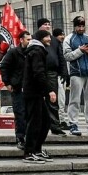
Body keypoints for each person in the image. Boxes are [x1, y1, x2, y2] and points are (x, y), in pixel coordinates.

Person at [20, 29, 57, 163]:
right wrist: (49, 90)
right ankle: (29, 152)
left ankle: (36, 149)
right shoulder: (36, 52)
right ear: (41, 38)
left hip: (36, 92)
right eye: (47, 37)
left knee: (45, 122)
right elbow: (38, 73)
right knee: (35, 122)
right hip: (33, 92)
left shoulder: (38, 50)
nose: (49, 39)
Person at [63, 16, 88, 136]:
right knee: (74, 99)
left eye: (82, 26)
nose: (81, 28)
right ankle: (73, 124)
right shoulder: (69, 39)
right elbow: (67, 56)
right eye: (78, 26)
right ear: (74, 26)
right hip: (76, 73)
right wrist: (80, 50)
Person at [0, 30, 29, 148]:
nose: (30, 42)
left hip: (31, 88)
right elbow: (4, 67)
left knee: (30, 114)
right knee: (20, 113)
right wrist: (7, 83)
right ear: (21, 40)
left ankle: (30, 137)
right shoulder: (13, 52)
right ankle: (20, 138)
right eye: (28, 39)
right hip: (18, 87)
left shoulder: (32, 52)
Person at [43, 24, 70, 136]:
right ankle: (55, 122)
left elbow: (62, 60)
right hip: (49, 76)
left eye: (63, 35)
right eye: (60, 35)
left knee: (60, 101)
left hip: (58, 76)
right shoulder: (39, 42)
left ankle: (59, 122)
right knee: (54, 101)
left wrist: (65, 74)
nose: (62, 37)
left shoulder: (57, 44)